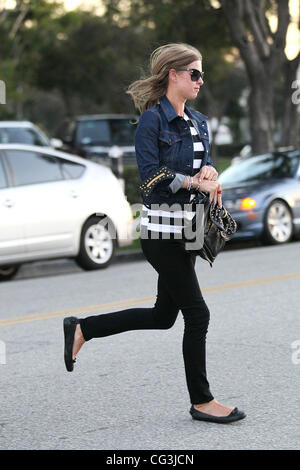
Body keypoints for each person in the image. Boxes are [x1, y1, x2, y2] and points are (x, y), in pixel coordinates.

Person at [63, 43, 246, 424]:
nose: (200, 80)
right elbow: (150, 180)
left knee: (165, 316)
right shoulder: (152, 122)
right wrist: (196, 182)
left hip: (191, 231)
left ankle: (84, 328)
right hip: (162, 235)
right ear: (173, 75)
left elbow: (206, 165)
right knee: (198, 315)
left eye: (202, 73)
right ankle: (202, 401)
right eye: (194, 73)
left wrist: (209, 174)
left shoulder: (198, 122)